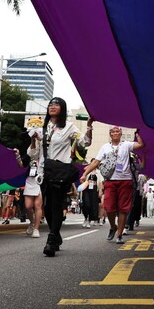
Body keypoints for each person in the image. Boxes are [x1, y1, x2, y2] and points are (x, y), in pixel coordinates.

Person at [36, 98, 93, 257]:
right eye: (50, 105)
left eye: (56, 105)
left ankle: (52, 240)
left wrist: (89, 127)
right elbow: (35, 153)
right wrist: (33, 141)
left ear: (62, 109)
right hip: (44, 172)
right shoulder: (42, 128)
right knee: (46, 207)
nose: (52, 107)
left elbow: (85, 142)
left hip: (60, 172)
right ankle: (56, 234)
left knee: (55, 204)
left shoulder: (68, 127)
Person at [80, 126, 144, 244]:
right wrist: (85, 174)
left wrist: (138, 134)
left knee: (123, 209)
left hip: (125, 180)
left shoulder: (126, 145)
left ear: (121, 133)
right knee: (108, 207)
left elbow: (141, 145)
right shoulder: (105, 147)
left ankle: (119, 234)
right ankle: (113, 226)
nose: (115, 133)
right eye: (113, 132)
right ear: (110, 134)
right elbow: (96, 162)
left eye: (117, 131)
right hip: (110, 180)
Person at [14, 131, 44, 237]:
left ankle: (36, 229)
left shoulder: (44, 156)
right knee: (28, 206)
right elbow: (21, 165)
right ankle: (31, 222)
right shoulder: (30, 155)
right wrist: (17, 156)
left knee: (37, 205)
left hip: (40, 181)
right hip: (29, 181)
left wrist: (40, 138)